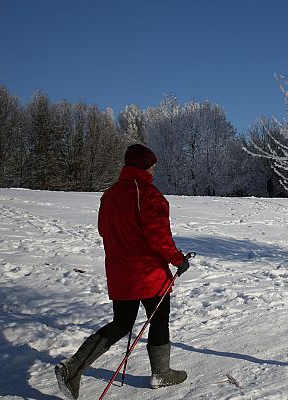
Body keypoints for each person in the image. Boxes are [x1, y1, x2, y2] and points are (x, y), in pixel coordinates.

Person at [55, 144, 191, 399]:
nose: (154, 169)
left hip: (120, 272)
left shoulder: (110, 194)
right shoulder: (150, 194)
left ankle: (73, 367)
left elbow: (103, 231)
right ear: (145, 166)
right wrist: (178, 259)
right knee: (159, 319)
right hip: (148, 272)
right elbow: (159, 237)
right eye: (152, 165)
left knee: (121, 323)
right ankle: (161, 373)